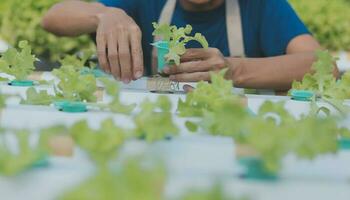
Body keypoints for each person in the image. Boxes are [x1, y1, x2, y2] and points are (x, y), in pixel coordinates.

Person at [42, 0, 336, 91]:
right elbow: (53, 18)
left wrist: (233, 70)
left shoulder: (260, 5)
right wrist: (103, 14)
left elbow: (325, 66)